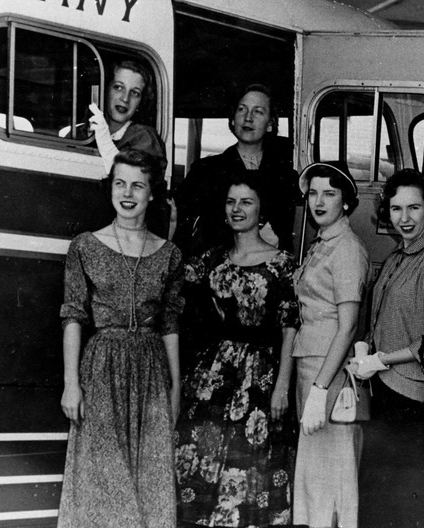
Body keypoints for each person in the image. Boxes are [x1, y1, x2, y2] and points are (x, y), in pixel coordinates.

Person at [57, 149, 183, 528]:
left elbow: (170, 326)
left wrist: (175, 389)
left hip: (151, 375)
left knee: (150, 483)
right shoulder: (85, 245)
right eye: (120, 183)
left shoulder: (169, 254)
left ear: (151, 193)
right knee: (104, 484)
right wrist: (70, 384)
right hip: (101, 371)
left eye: (138, 185)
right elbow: (73, 317)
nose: (127, 193)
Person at [174, 172, 299, 528]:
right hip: (213, 375)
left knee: (249, 466)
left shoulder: (282, 264)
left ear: (261, 212)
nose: (237, 209)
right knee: (202, 458)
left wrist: (281, 388)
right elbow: (169, 280)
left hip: (260, 378)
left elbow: (291, 327)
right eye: (231, 202)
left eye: (246, 202)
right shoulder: (212, 258)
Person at [348, 169, 424, 442]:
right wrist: (365, 347)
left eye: (414, 207)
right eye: (396, 208)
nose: (404, 218)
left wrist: (382, 359)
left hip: (411, 395)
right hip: (382, 386)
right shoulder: (396, 258)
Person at [292, 161, 370, 528]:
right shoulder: (322, 244)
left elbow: (348, 325)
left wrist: (321, 391)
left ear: (347, 201)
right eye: (313, 193)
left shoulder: (348, 249)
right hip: (311, 367)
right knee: (315, 479)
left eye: (329, 193)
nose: (318, 201)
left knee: (331, 479)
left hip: (328, 374)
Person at [173, 83, 298, 256]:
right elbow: (181, 224)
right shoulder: (205, 171)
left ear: (270, 124)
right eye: (242, 109)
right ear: (233, 119)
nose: (248, 117)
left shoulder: (286, 175)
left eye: (258, 111)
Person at [78, 59, 166, 177]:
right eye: (118, 87)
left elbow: (132, 180)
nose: (125, 98)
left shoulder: (145, 137)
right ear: (105, 89)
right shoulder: (77, 131)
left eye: (135, 93)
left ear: (141, 102)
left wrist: (105, 142)